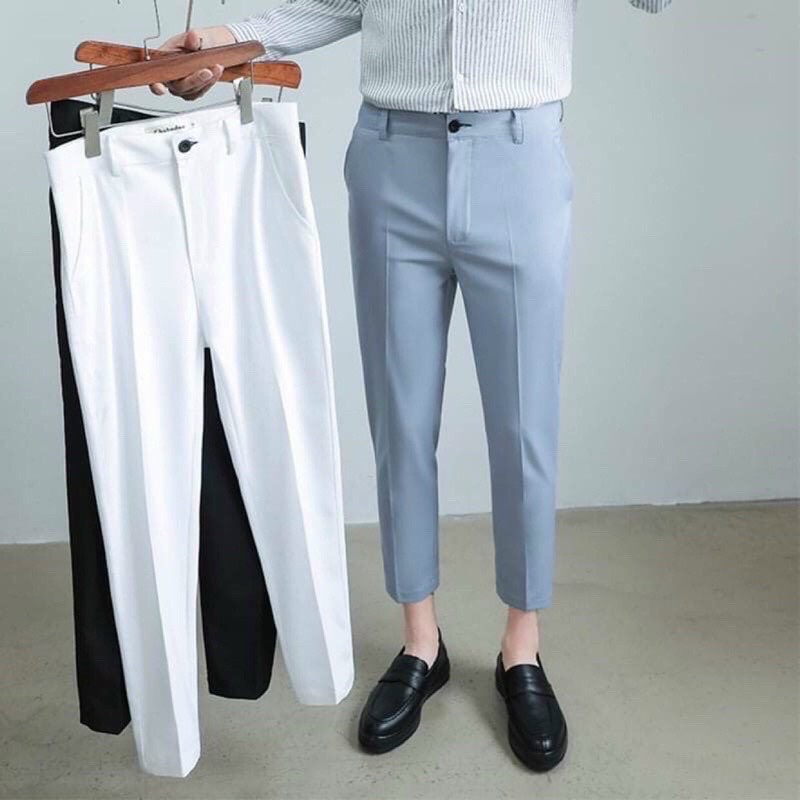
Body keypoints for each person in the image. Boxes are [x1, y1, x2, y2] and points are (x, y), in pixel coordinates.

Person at [151, 0, 673, 773]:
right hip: (394, 153)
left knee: (525, 423)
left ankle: (521, 646)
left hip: (518, 152)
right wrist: (225, 42)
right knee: (400, 418)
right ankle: (420, 641)